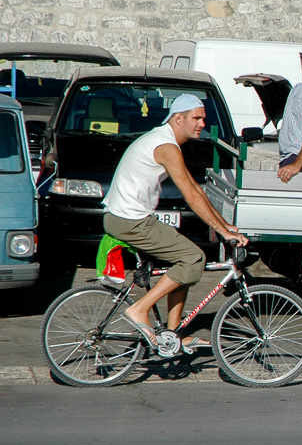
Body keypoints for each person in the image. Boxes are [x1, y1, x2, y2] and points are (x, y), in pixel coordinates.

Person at [102, 94, 248, 354]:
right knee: (193, 259)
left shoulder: (165, 141)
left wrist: (225, 225)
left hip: (129, 217)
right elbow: (191, 196)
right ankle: (139, 309)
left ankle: (173, 334)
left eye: (203, 118)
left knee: (183, 261)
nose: (202, 123)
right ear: (178, 118)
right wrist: (224, 232)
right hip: (130, 221)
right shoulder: (166, 146)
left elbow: (195, 188)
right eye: (197, 118)